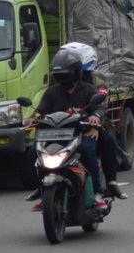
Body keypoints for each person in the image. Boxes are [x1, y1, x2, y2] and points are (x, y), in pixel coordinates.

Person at [23, 48, 107, 211]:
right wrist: (33, 118)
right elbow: (41, 110)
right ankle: (41, 190)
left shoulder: (88, 89)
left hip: (81, 134)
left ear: (75, 73)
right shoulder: (52, 92)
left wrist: (95, 116)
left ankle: (97, 193)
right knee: (33, 153)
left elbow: (99, 107)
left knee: (88, 151)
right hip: (54, 136)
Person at [60, 42, 128, 200]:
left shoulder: (97, 79)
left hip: (94, 121)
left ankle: (111, 183)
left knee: (107, 141)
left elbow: (101, 104)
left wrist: (95, 125)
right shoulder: (58, 78)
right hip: (65, 123)